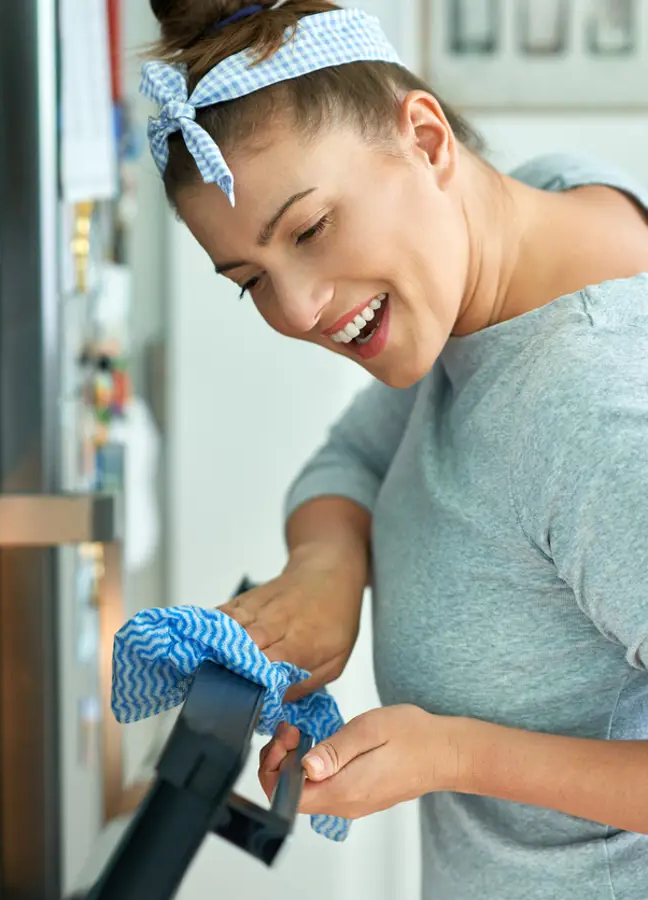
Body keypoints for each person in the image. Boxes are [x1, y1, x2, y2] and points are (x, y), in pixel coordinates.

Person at [142, 2, 648, 898]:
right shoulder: (534, 223)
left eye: (309, 230)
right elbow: (353, 459)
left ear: (426, 139)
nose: (297, 311)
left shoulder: (598, 414)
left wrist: (454, 752)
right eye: (251, 281)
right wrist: (326, 573)